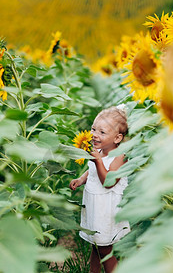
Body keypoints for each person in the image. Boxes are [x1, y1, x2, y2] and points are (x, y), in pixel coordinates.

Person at [69, 106, 130, 273]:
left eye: (102, 132)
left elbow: (108, 181)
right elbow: (93, 171)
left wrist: (97, 161)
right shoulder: (100, 152)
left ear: (117, 138)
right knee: (96, 245)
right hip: (95, 206)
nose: (94, 134)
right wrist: (81, 179)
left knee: (105, 250)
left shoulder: (119, 157)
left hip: (107, 211)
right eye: (93, 129)